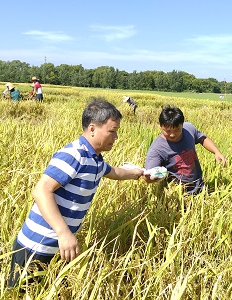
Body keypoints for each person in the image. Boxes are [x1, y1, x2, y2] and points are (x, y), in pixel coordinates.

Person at [8, 98, 144, 287]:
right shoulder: (74, 155)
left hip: (58, 248)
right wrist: (64, 233)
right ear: (92, 129)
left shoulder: (95, 159)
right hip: (35, 247)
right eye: (112, 131)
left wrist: (140, 174)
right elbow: (41, 191)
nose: (116, 137)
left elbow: (114, 172)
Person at [144, 105, 227, 195]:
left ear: (182, 125)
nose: (172, 135)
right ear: (161, 126)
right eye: (167, 131)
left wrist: (216, 152)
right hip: (178, 193)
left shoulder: (189, 129)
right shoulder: (156, 149)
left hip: (200, 186)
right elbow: (149, 174)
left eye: (177, 130)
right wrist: (149, 178)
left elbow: (202, 138)